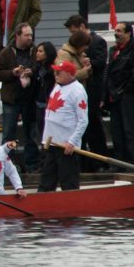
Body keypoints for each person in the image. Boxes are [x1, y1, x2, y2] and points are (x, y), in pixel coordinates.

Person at [0, 22, 38, 170]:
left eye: (31, 35)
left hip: (30, 99)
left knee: (31, 134)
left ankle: (32, 165)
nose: (29, 38)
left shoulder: (35, 51)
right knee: (8, 134)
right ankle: (6, 166)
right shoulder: (6, 53)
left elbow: (41, 66)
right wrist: (13, 72)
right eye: (26, 35)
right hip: (11, 100)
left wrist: (32, 71)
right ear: (18, 35)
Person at [105, 22, 134, 168]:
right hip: (114, 96)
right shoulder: (113, 51)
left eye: (119, 31)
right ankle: (119, 161)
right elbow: (109, 73)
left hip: (129, 96)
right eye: (115, 30)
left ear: (129, 33)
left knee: (130, 130)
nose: (116, 33)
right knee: (116, 130)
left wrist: (123, 90)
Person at [40, 61, 89, 191]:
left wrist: (72, 142)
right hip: (52, 142)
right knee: (47, 179)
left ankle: (72, 204)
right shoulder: (58, 86)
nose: (55, 74)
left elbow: (83, 120)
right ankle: (43, 202)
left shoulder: (78, 91)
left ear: (69, 74)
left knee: (68, 181)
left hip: (66, 145)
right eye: (54, 71)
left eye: (58, 72)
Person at [64, 15, 107, 158]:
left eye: (74, 31)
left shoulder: (98, 41)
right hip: (81, 89)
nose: (73, 35)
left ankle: (99, 159)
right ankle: (86, 160)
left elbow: (101, 63)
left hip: (93, 90)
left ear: (82, 27)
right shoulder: (73, 47)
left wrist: (89, 63)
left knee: (93, 124)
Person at [32, 41, 58, 148]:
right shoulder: (37, 68)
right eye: (37, 51)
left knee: (50, 135)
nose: (37, 53)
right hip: (39, 104)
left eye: (40, 51)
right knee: (41, 134)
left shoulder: (52, 70)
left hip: (50, 105)